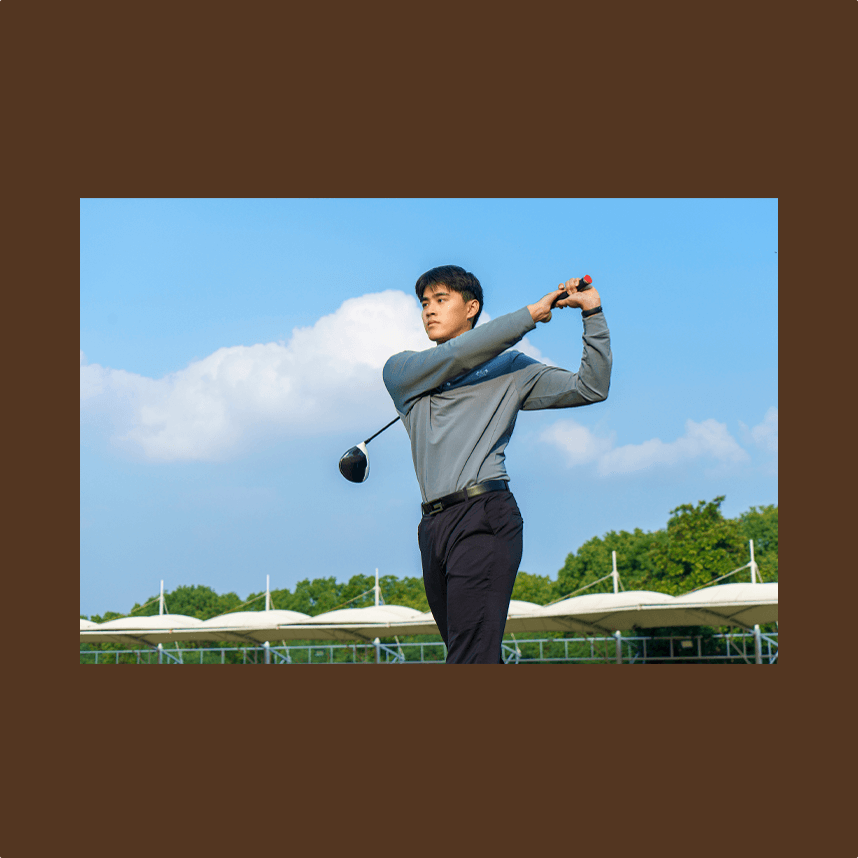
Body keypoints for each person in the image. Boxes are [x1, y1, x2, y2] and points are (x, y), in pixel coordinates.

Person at [382, 264, 612, 664]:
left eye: (441, 300)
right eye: (424, 303)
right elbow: (457, 355)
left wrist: (592, 313)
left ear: (471, 308)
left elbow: (590, 387)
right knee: (473, 653)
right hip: (433, 528)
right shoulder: (402, 371)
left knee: (471, 656)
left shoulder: (510, 369)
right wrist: (530, 314)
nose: (429, 310)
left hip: (483, 516)